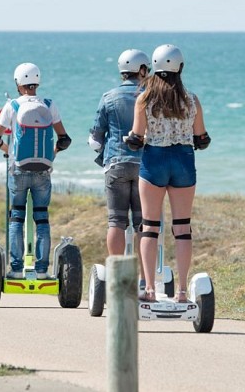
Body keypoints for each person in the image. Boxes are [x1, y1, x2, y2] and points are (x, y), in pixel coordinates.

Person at [125, 44, 211, 303]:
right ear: (180, 67)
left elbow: (137, 136)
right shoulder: (191, 99)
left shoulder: (144, 99)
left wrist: (132, 139)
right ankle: (183, 291)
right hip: (184, 160)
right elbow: (202, 137)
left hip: (155, 159)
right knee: (182, 228)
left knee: (150, 227)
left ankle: (150, 289)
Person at [0, 62, 72, 280]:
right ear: (37, 81)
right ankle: (42, 270)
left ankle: (16, 269)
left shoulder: (13, 106)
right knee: (41, 219)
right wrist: (50, 156)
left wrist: (8, 151)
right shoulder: (49, 104)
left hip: (18, 169)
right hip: (43, 171)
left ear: (18, 83)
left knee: (16, 217)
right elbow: (64, 139)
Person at [88, 49, 150, 288]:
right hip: (146, 166)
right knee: (144, 224)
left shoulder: (108, 96)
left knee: (116, 221)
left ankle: (116, 276)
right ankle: (145, 280)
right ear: (142, 70)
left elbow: (95, 139)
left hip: (115, 163)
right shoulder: (150, 96)